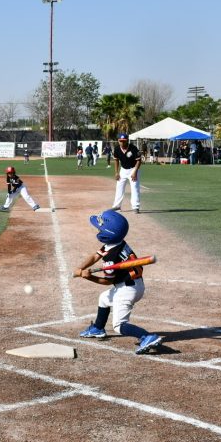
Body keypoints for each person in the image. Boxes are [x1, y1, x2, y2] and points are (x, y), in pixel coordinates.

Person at [74, 209, 163, 355]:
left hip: (128, 289)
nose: (98, 228)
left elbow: (107, 282)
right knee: (104, 298)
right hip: (133, 284)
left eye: (100, 227)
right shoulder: (116, 244)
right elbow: (95, 256)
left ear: (107, 234)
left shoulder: (111, 258)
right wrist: (81, 268)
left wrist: (87, 276)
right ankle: (98, 328)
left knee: (119, 326)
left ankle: (147, 337)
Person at [112, 133, 142, 214]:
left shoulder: (133, 148)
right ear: (118, 141)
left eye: (124, 141)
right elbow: (116, 160)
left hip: (133, 169)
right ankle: (117, 206)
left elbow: (139, 161)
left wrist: (135, 172)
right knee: (119, 187)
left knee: (135, 188)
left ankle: (136, 207)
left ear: (127, 141)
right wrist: (116, 172)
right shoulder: (117, 149)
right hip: (123, 170)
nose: (122, 142)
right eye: (120, 141)